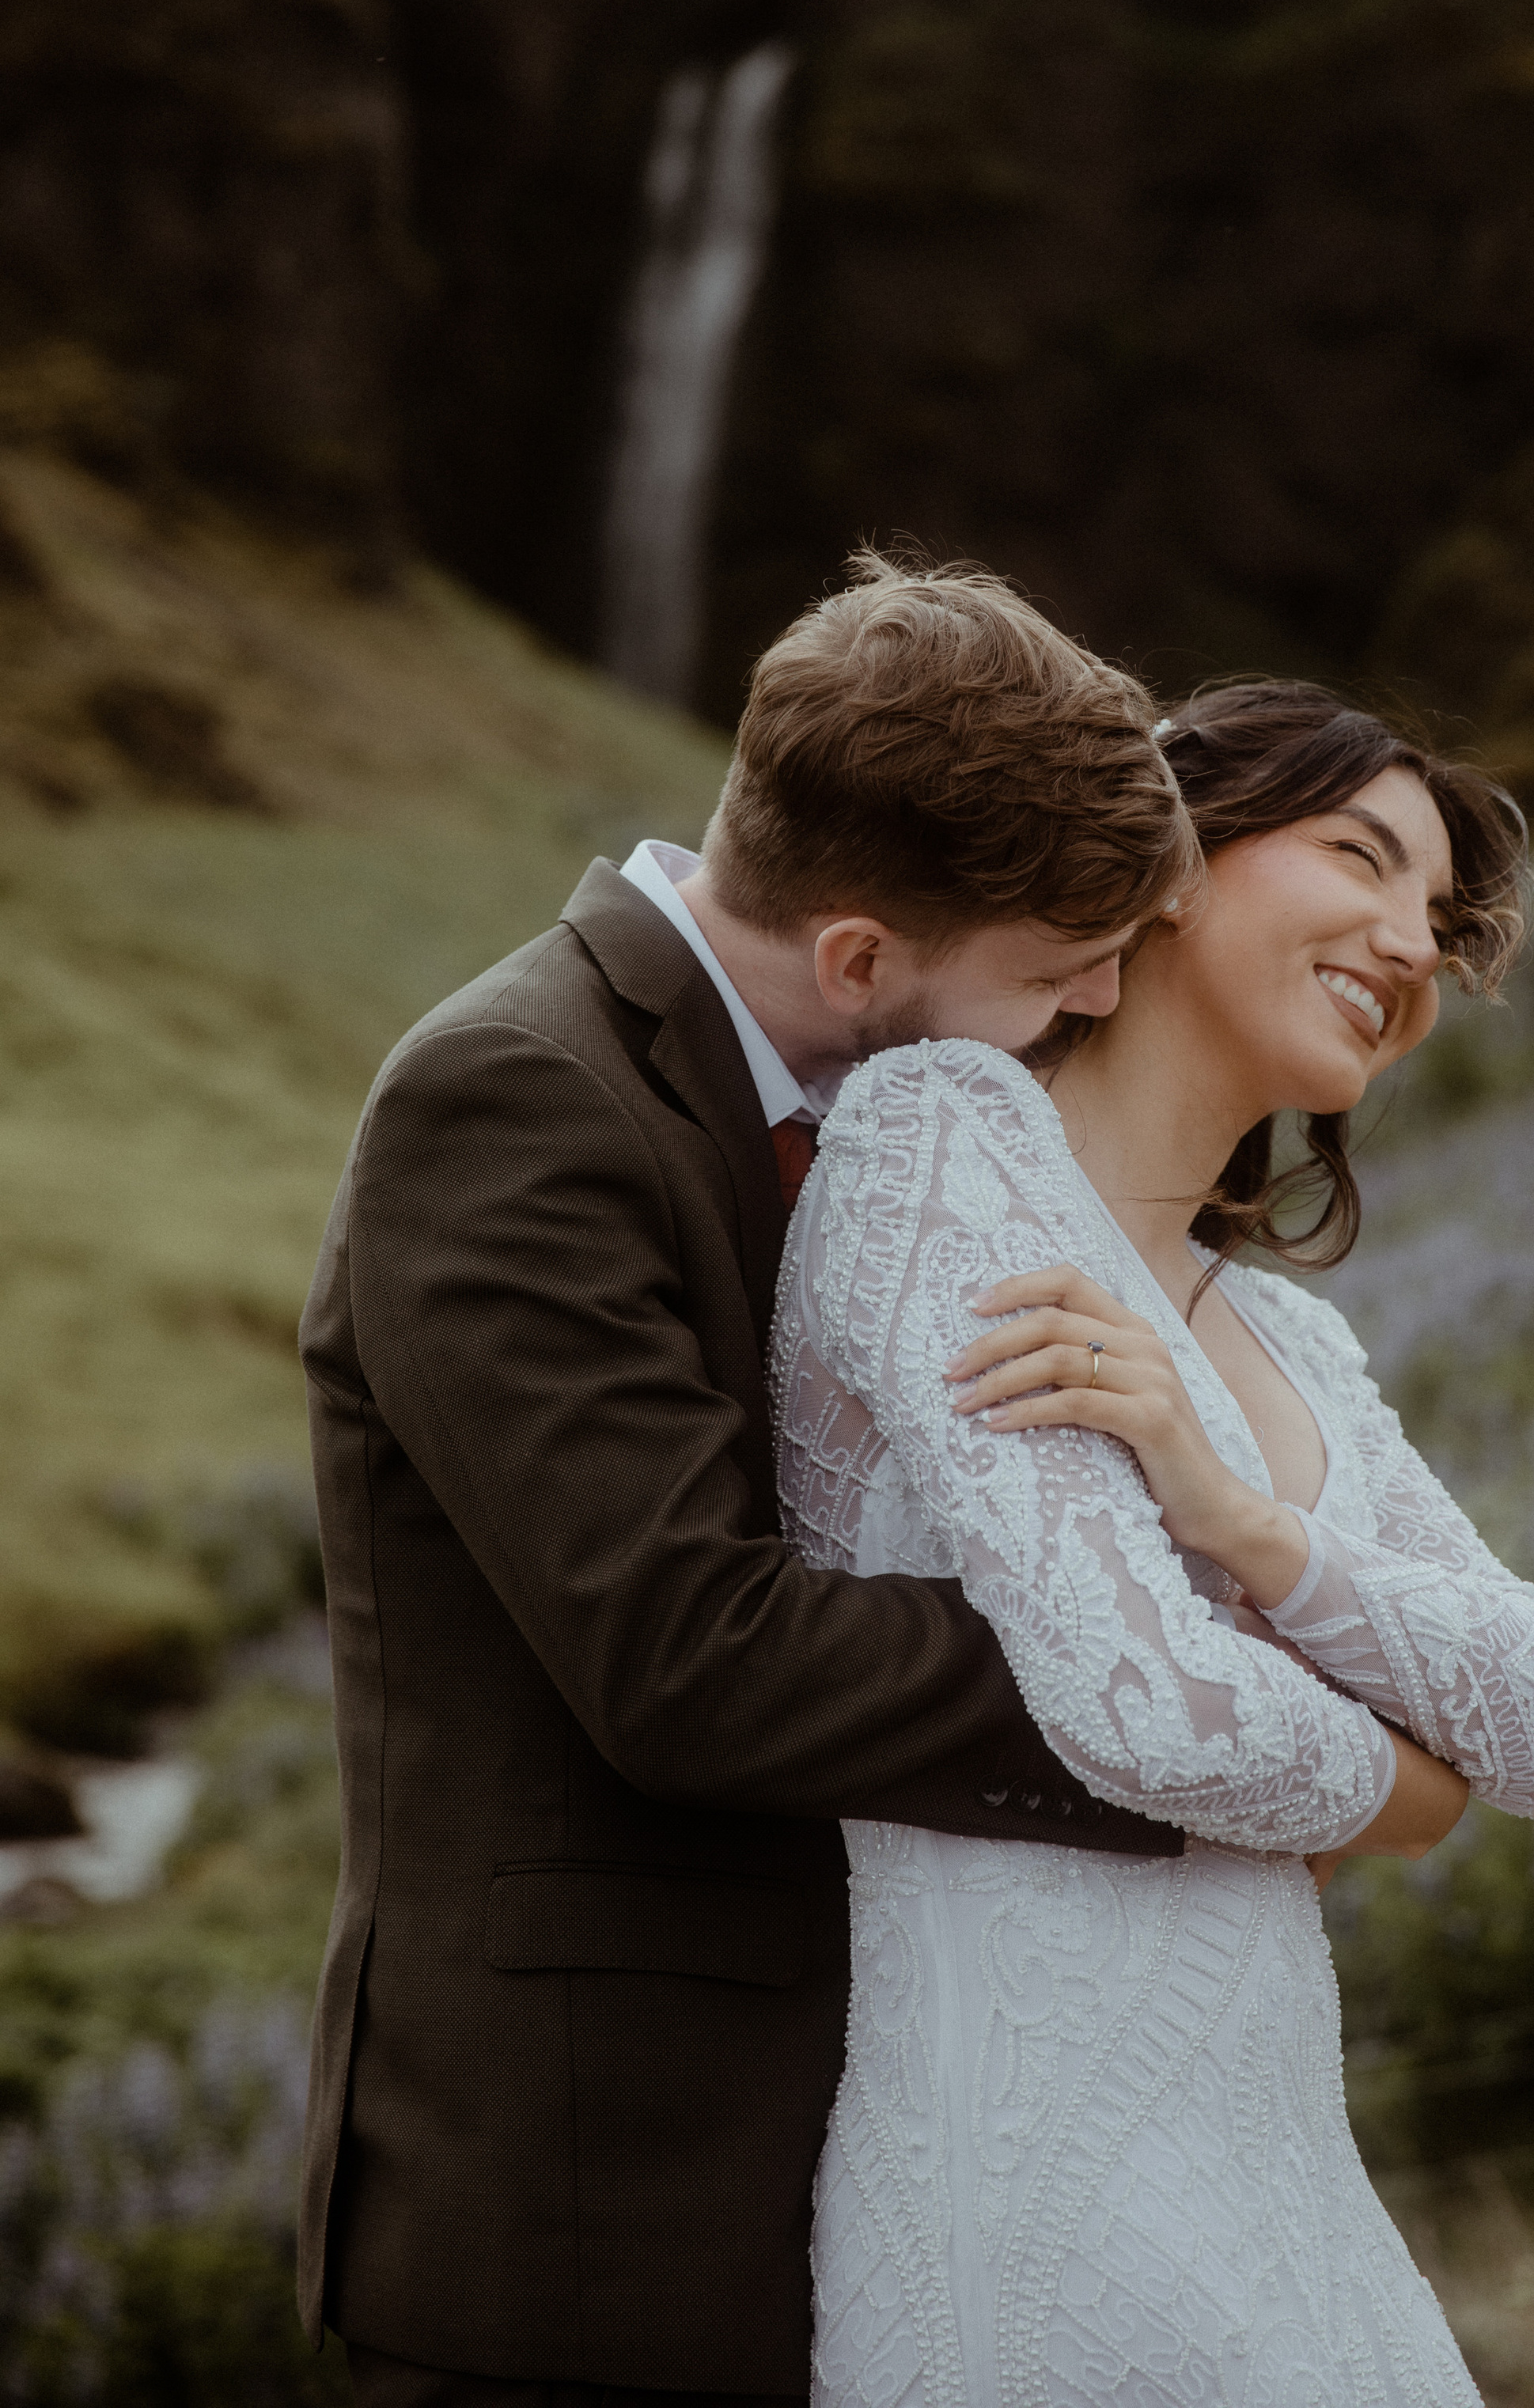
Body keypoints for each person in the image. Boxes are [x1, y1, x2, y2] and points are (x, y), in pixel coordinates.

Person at [297, 555, 1222, 2405]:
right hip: (594, 2216)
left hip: (871, 2182)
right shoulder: (511, 1100)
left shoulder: (879, 1113)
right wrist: (1181, 1693)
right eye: (1057, 968)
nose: (1104, 999)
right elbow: (687, 1656)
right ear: (859, 958)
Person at [773, 678, 1534, 2407]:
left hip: (1285, 2188)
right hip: (1033, 2195)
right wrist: (1413, 1787)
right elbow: (1151, 1714)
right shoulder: (942, 1140)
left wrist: (1242, 1526)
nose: (1413, 946)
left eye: (1436, 915)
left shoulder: (1293, 1343)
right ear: (1171, 863)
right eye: (1359, 860)